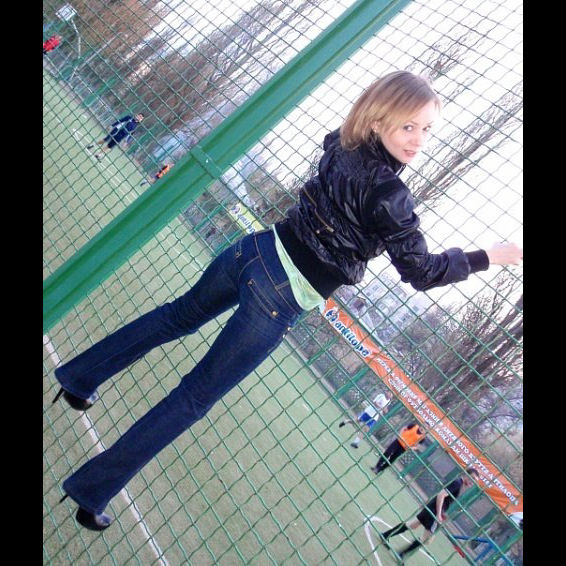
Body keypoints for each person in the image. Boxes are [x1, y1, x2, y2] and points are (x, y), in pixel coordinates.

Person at [52, 70, 522, 531]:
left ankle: (78, 377)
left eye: (427, 129)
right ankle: (92, 488)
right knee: (194, 396)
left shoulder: (342, 144)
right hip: (281, 295)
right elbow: (421, 271)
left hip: (253, 251)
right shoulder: (391, 195)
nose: (418, 140)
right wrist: (488, 256)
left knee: (175, 317)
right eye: (408, 126)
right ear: (379, 119)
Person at [379, 467, 480, 560]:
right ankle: (401, 554)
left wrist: (442, 512)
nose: (472, 482)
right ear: (466, 475)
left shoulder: (459, 484)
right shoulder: (457, 483)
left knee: (412, 525)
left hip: (432, 507)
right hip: (434, 511)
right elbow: (441, 495)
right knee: (427, 539)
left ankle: (386, 535)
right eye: (472, 478)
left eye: (475, 480)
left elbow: (445, 498)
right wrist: (438, 514)